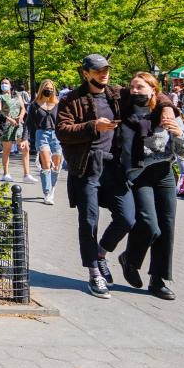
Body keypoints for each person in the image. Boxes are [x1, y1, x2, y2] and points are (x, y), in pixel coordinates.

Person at [56, 54, 171, 299]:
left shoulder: (117, 94)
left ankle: (100, 253)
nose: (104, 74)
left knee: (128, 218)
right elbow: (62, 131)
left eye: (106, 69)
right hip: (86, 168)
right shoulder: (70, 99)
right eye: (98, 71)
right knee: (89, 221)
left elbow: (153, 92)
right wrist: (92, 126)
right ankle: (94, 272)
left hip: (113, 168)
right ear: (85, 73)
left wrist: (169, 108)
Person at [117, 72, 184, 300]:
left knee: (166, 227)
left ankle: (158, 280)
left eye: (140, 87)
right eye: (132, 86)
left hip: (164, 174)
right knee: (149, 224)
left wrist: (178, 134)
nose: (135, 90)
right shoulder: (125, 110)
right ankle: (130, 259)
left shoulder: (166, 112)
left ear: (153, 90)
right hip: (139, 174)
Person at [26, 79, 63, 204]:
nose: (49, 90)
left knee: (56, 166)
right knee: (46, 164)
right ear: (42, 89)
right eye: (47, 88)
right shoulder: (35, 105)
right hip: (41, 134)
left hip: (56, 135)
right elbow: (29, 123)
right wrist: (25, 139)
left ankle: (52, 188)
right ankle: (47, 193)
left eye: (51, 89)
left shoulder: (58, 104)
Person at [0, 78, 36, 184]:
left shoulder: (17, 94)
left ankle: (27, 174)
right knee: (7, 149)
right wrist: (9, 119)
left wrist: (21, 116)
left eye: (6, 83)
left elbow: (23, 107)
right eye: (2, 83)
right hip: (7, 125)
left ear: (10, 85)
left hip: (19, 124)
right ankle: (6, 173)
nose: (4, 85)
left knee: (25, 147)